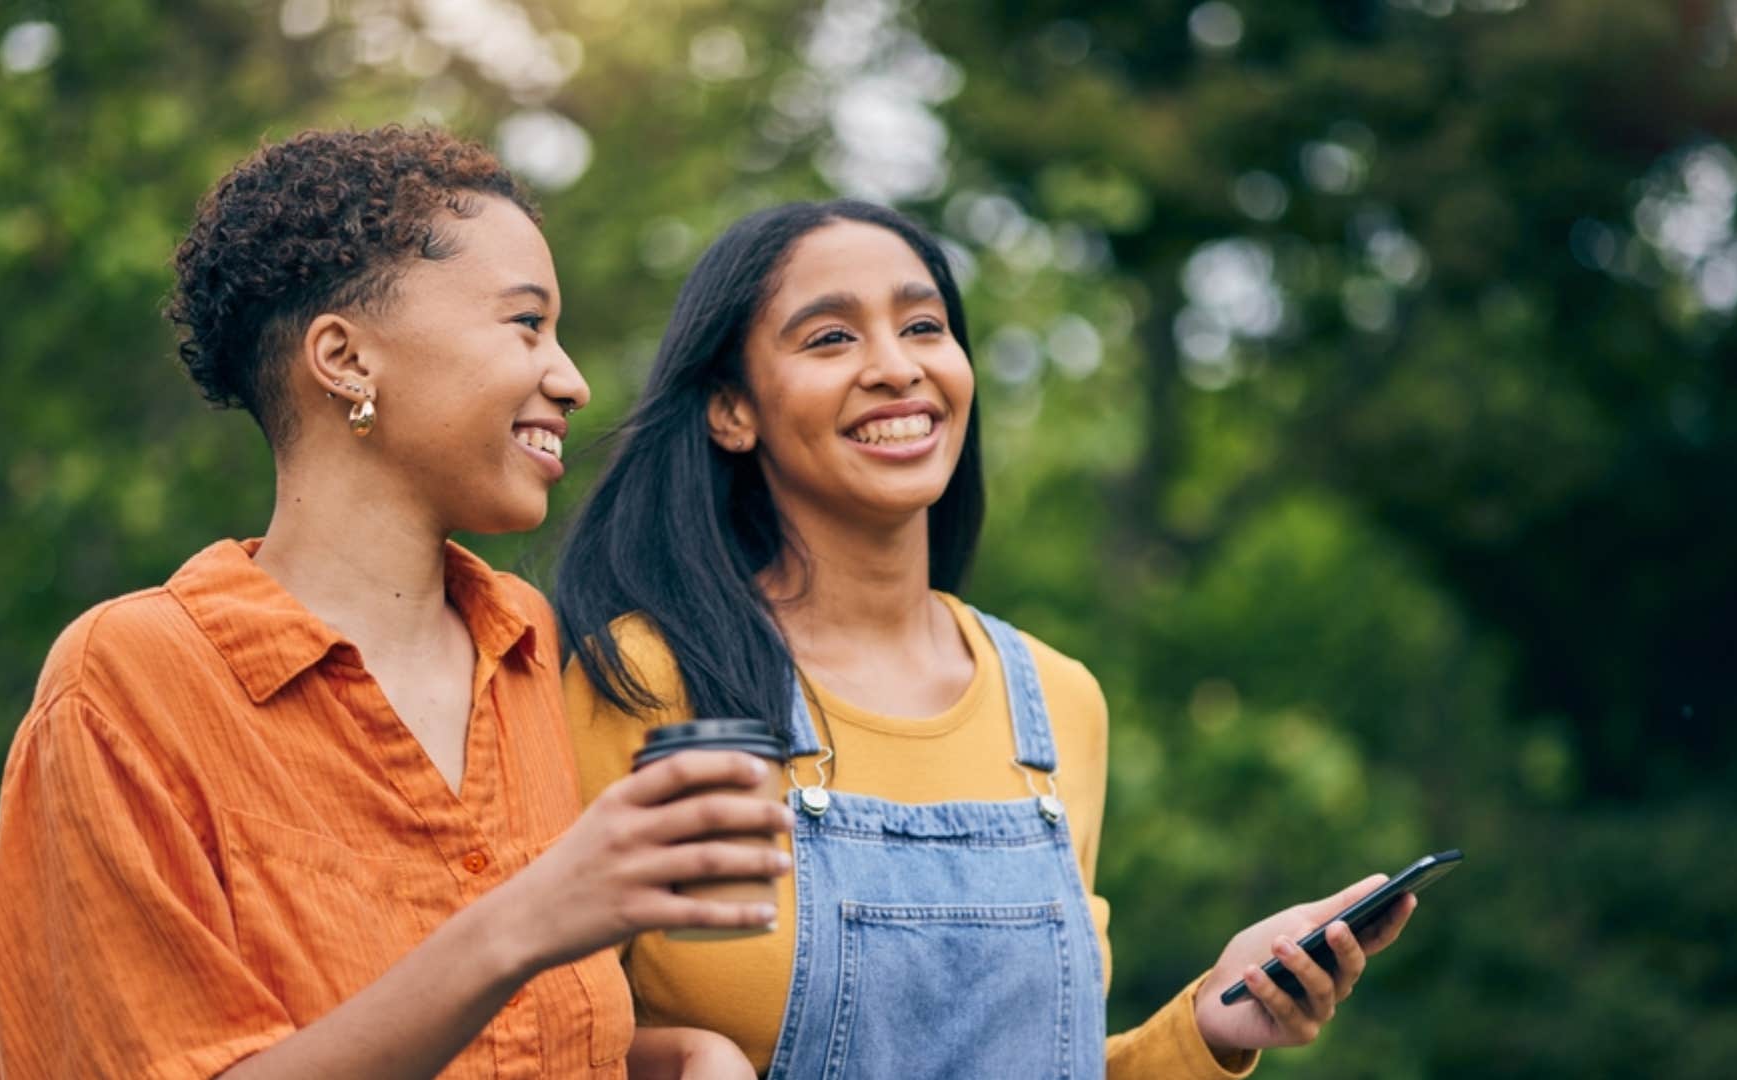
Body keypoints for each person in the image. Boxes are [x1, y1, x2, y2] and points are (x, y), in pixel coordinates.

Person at [554, 199, 1419, 1079]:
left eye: (923, 325)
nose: (896, 367)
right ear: (731, 410)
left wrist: (1212, 1024)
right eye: (830, 339)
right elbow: (538, 1035)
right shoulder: (662, 683)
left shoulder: (1052, 701)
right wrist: (676, 1059)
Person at [0, 126, 783, 1080]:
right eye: (526, 323)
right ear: (345, 359)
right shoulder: (127, 680)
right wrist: (522, 923)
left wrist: (683, 1057)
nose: (570, 380)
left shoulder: (524, 642)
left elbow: (516, 1047)